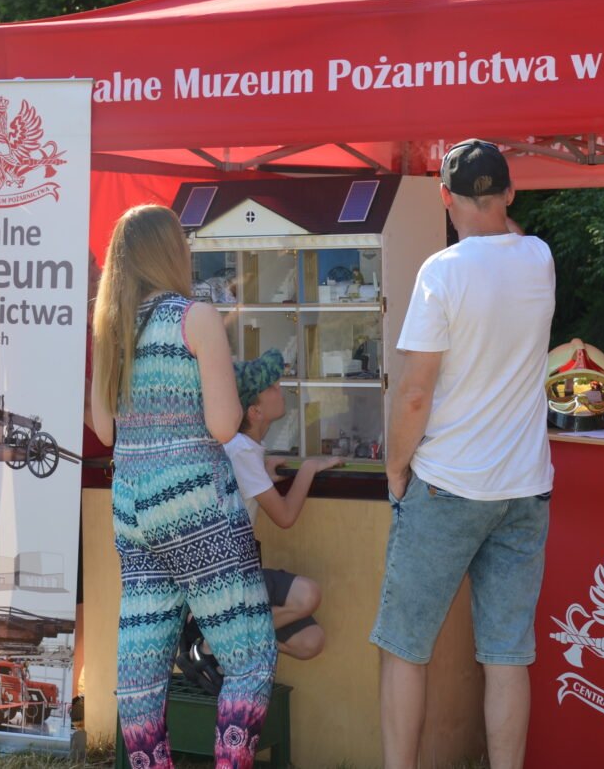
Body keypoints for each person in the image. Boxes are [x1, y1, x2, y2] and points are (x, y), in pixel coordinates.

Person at [372, 139, 556, 769]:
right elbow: (513, 237)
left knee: (404, 647)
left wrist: (396, 468)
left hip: (447, 483)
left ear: (444, 197)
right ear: (509, 193)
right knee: (507, 656)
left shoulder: (442, 271)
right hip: (524, 486)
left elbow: (415, 393)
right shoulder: (539, 259)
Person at [88, 204, 275, 768]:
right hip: (196, 506)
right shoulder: (195, 318)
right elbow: (223, 425)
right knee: (250, 660)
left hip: (132, 509)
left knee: (141, 676)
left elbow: (104, 430)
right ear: (170, 252)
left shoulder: (111, 328)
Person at [224, 348, 343, 660]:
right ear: (255, 411)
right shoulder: (242, 451)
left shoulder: (244, 449)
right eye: (271, 387)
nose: (280, 388)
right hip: (228, 576)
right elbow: (285, 516)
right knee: (307, 595)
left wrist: (265, 474)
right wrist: (309, 468)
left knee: (310, 641)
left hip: (238, 572)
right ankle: (215, 641)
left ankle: (222, 638)